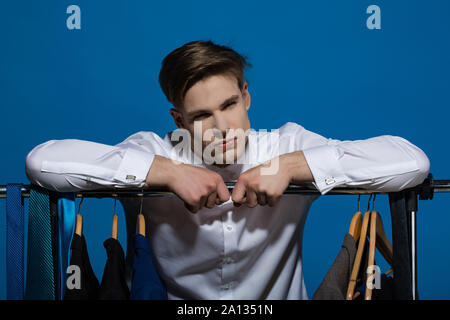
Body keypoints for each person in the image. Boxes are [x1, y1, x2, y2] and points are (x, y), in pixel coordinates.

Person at [25, 40, 430, 300]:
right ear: (179, 121)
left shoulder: (286, 145)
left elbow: (411, 162)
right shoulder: (153, 151)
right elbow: (42, 162)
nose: (221, 128)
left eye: (229, 105)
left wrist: (291, 166)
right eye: (201, 115)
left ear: (246, 96)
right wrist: (167, 173)